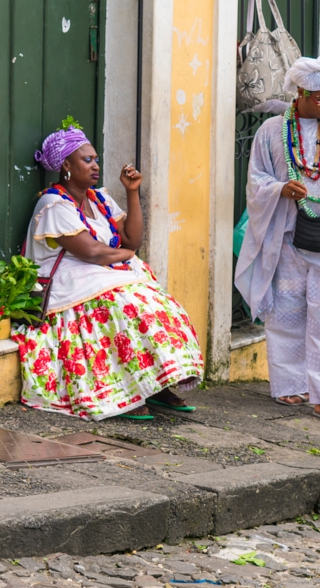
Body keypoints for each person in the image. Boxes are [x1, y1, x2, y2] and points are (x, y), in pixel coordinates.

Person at [12, 123, 204, 421]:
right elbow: (90, 251)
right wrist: (126, 256)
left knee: (153, 302)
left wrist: (132, 192)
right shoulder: (53, 204)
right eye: (87, 160)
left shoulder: (98, 199)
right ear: (66, 165)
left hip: (105, 274)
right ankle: (125, 392)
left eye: (96, 159)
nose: (95, 165)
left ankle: (157, 384)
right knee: (123, 305)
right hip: (71, 284)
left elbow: (133, 239)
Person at [235, 54, 320, 428]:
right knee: (285, 314)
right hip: (287, 236)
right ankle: (287, 386)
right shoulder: (271, 132)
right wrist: (281, 189)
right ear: (301, 94)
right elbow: (256, 180)